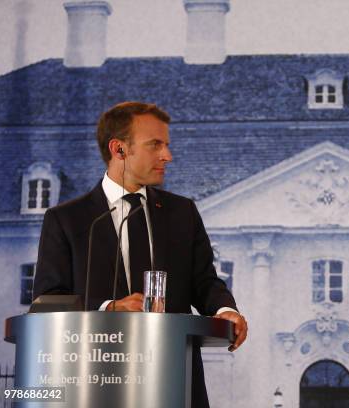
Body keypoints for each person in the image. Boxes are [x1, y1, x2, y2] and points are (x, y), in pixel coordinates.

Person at [33, 101, 248, 407]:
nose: (167, 156)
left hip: (174, 380)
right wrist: (109, 308)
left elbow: (204, 282)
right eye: (155, 145)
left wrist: (227, 310)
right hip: (95, 382)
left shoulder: (182, 212)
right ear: (119, 149)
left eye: (167, 145)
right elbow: (46, 301)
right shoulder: (68, 219)